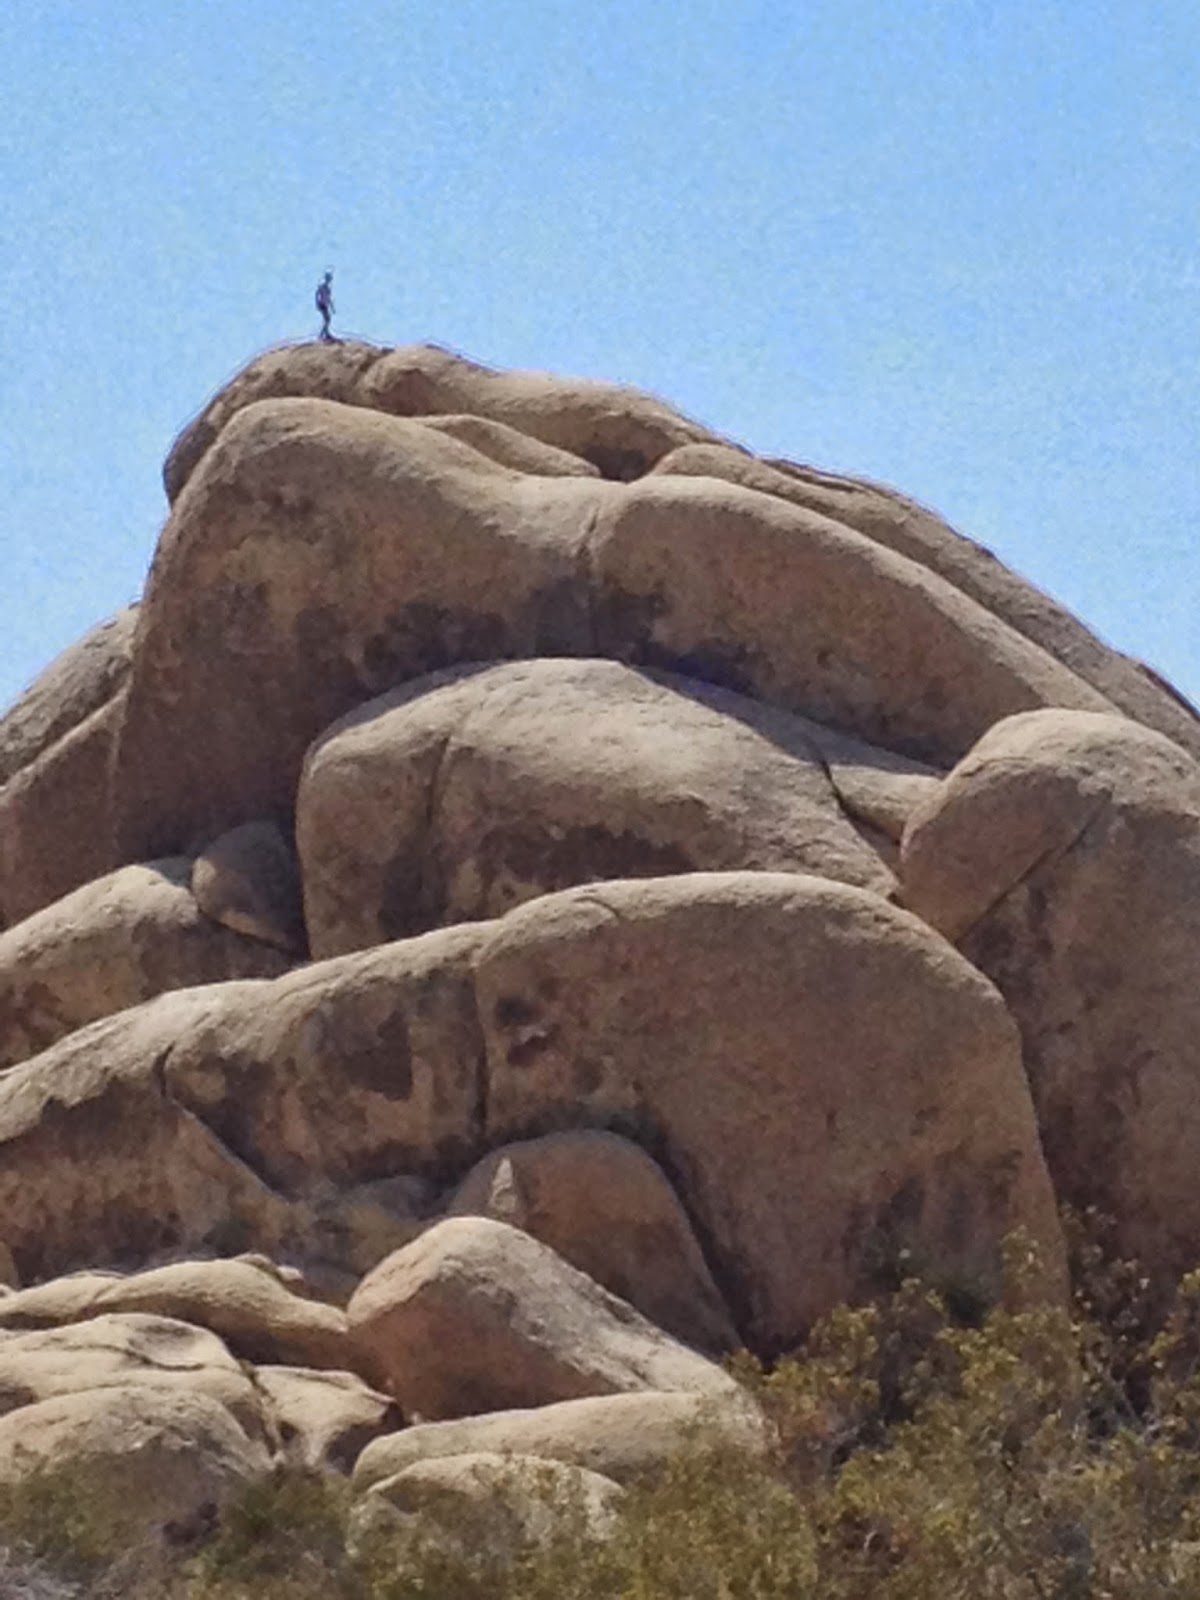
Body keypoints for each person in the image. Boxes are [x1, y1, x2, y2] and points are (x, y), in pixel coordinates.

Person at [315, 271, 335, 341]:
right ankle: (323, 334)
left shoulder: (328, 288)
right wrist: (317, 303)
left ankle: (325, 333)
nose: (330, 280)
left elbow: (329, 298)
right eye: (329, 279)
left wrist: (332, 307)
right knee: (327, 319)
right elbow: (317, 294)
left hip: (325, 305)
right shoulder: (322, 286)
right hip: (322, 304)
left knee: (327, 319)